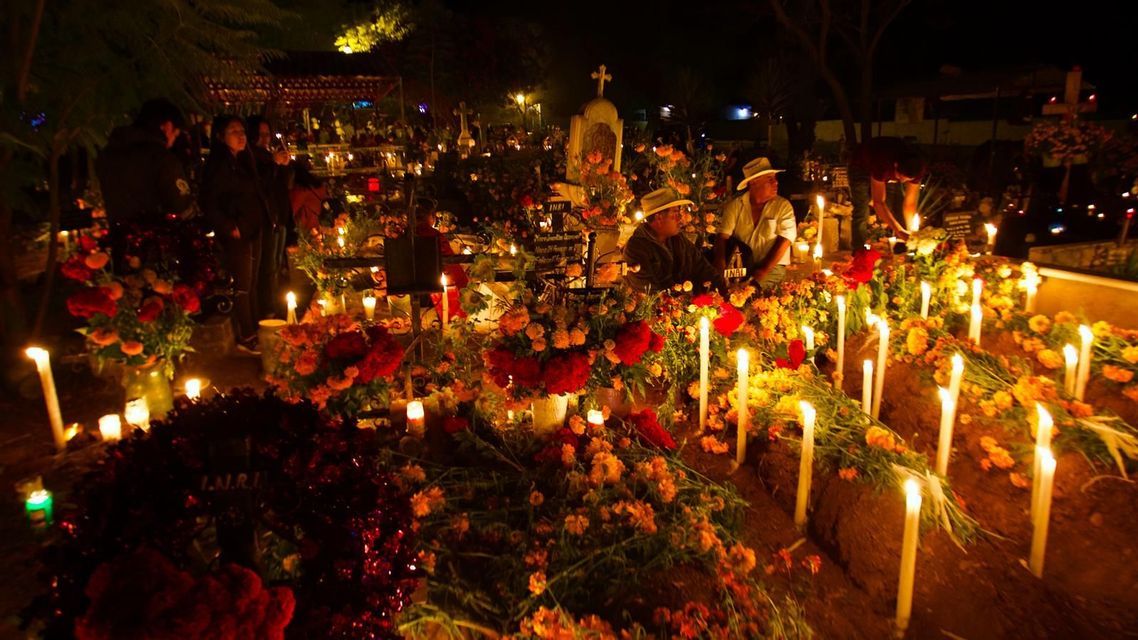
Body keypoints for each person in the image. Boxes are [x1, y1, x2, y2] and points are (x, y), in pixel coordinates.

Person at [199, 115, 271, 353]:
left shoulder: (242, 160)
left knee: (251, 282)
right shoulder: (219, 165)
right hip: (239, 233)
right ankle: (247, 334)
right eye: (233, 131)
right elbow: (208, 202)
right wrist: (230, 226)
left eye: (242, 131)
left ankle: (256, 326)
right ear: (220, 137)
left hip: (253, 228)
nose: (240, 135)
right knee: (242, 285)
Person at [96, 98, 195, 266]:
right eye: (176, 134)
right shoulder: (161, 158)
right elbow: (180, 205)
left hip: (119, 247)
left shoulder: (108, 154)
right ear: (168, 126)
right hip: (155, 252)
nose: (172, 141)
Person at [713, 157, 796, 290]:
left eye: (775, 178)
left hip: (772, 268)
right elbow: (722, 237)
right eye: (770, 179)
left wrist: (763, 270)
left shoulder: (783, 206)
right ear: (754, 182)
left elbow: (786, 239)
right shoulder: (735, 206)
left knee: (750, 292)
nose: (776, 183)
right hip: (741, 267)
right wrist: (721, 266)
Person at [624, 188, 726, 294]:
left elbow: (703, 267)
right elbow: (649, 290)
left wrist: (722, 292)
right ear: (659, 218)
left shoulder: (679, 240)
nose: (680, 219)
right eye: (676, 214)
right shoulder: (636, 248)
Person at [246, 116, 292, 319]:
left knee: (275, 264)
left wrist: (282, 165)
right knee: (268, 267)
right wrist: (274, 164)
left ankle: (273, 306)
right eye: (261, 134)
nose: (265, 138)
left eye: (267, 134)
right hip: (266, 218)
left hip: (277, 215)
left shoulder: (266, 156)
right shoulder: (251, 158)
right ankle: (268, 311)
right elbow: (260, 187)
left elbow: (282, 186)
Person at [849, 136, 927, 247]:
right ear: (896, 165)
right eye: (900, 177)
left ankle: (898, 248)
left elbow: (910, 204)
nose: (902, 181)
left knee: (894, 206)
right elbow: (878, 202)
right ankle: (859, 252)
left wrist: (911, 235)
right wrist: (900, 231)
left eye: (907, 179)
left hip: (886, 168)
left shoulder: (917, 168)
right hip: (861, 167)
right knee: (861, 209)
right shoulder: (883, 163)